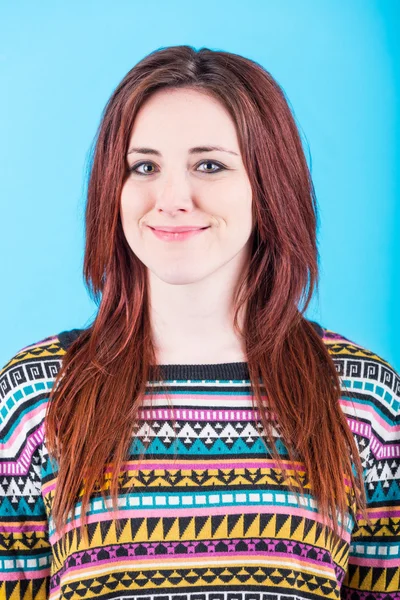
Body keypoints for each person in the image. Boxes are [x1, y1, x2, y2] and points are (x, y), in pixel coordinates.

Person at [0, 44, 399, 600]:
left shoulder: (363, 396)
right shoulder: (35, 394)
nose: (172, 198)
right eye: (144, 166)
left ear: (268, 184)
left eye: (208, 165)